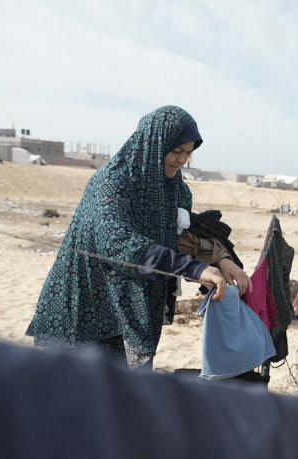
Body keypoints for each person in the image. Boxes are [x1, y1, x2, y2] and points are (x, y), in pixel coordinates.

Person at [26, 105, 248, 370]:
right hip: (80, 313)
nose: (181, 160)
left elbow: (176, 234)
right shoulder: (112, 183)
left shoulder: (174, 188)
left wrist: (220, 258)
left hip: (128, 311)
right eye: (176, 150)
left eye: (188, 153)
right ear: (153, 143)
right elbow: (119, 245)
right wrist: (193, 268)